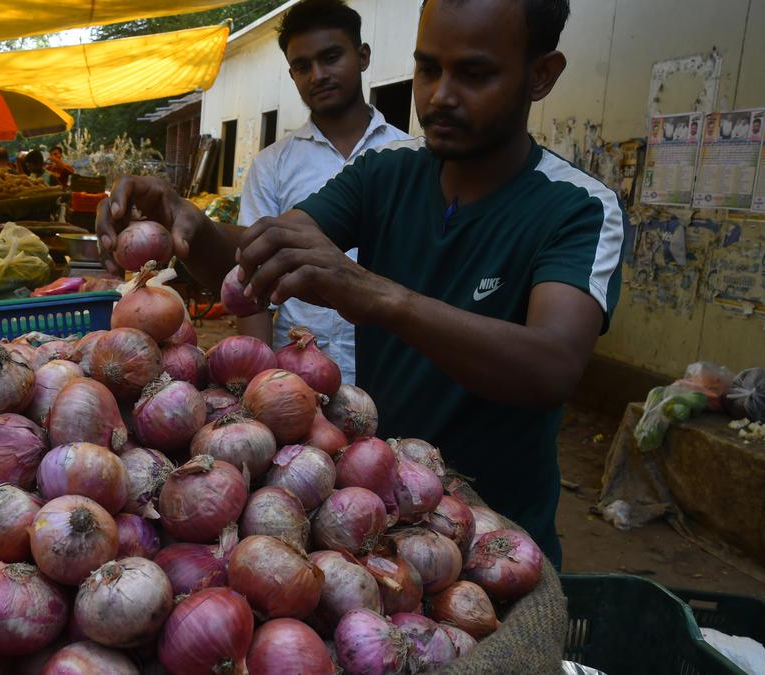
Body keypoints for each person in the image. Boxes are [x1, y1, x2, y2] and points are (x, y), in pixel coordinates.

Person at [97, 0, 625, 564]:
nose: (440, 95)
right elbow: (261, 251)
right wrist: (188, 223)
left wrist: (377, 296)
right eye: (428, 69)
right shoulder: (388, 171)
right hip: (376, 513)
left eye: (474, 74)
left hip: (496, 544)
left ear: (541, 74)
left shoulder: (578, 208)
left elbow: (552, 366)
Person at [236, 0, 410, 385]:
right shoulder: (272, 165)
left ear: (362, 56)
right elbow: (252, 280)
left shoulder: (410, 157)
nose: (318, 75)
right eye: (302, 66)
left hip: (390, 370)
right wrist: (261, 382)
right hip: (297, 376)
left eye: (331, 57)